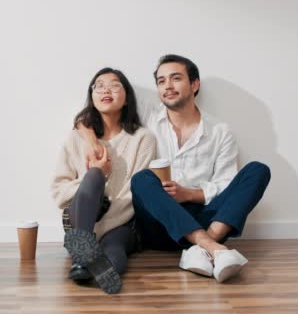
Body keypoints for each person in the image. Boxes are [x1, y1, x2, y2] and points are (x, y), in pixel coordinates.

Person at [78, 55, 271, 283]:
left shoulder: (220, 131)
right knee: (142, 179)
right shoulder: (148, 118)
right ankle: (212, 248)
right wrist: (91, 142)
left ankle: (201, 247)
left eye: (176, 78)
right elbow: (92, 112)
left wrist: (189, 194)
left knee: (258, 170)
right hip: (159, 223)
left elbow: (225, 184)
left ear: (194, 84)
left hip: (206, 219)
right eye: (161, 81)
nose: (167, 86)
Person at [51, 67, 156, 294]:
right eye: (99, 85)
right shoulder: (76, 138)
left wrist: (98, 229)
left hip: (122, 221)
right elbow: (59, 193)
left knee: (114, 249)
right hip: (82, 221)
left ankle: (85, 259)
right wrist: (98, 176)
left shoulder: (142, 139)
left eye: (114, 85)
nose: (106, 89)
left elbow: (134, 194)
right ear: (92, 96)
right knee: (94, 174)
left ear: (127, 97)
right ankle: (83, 250)